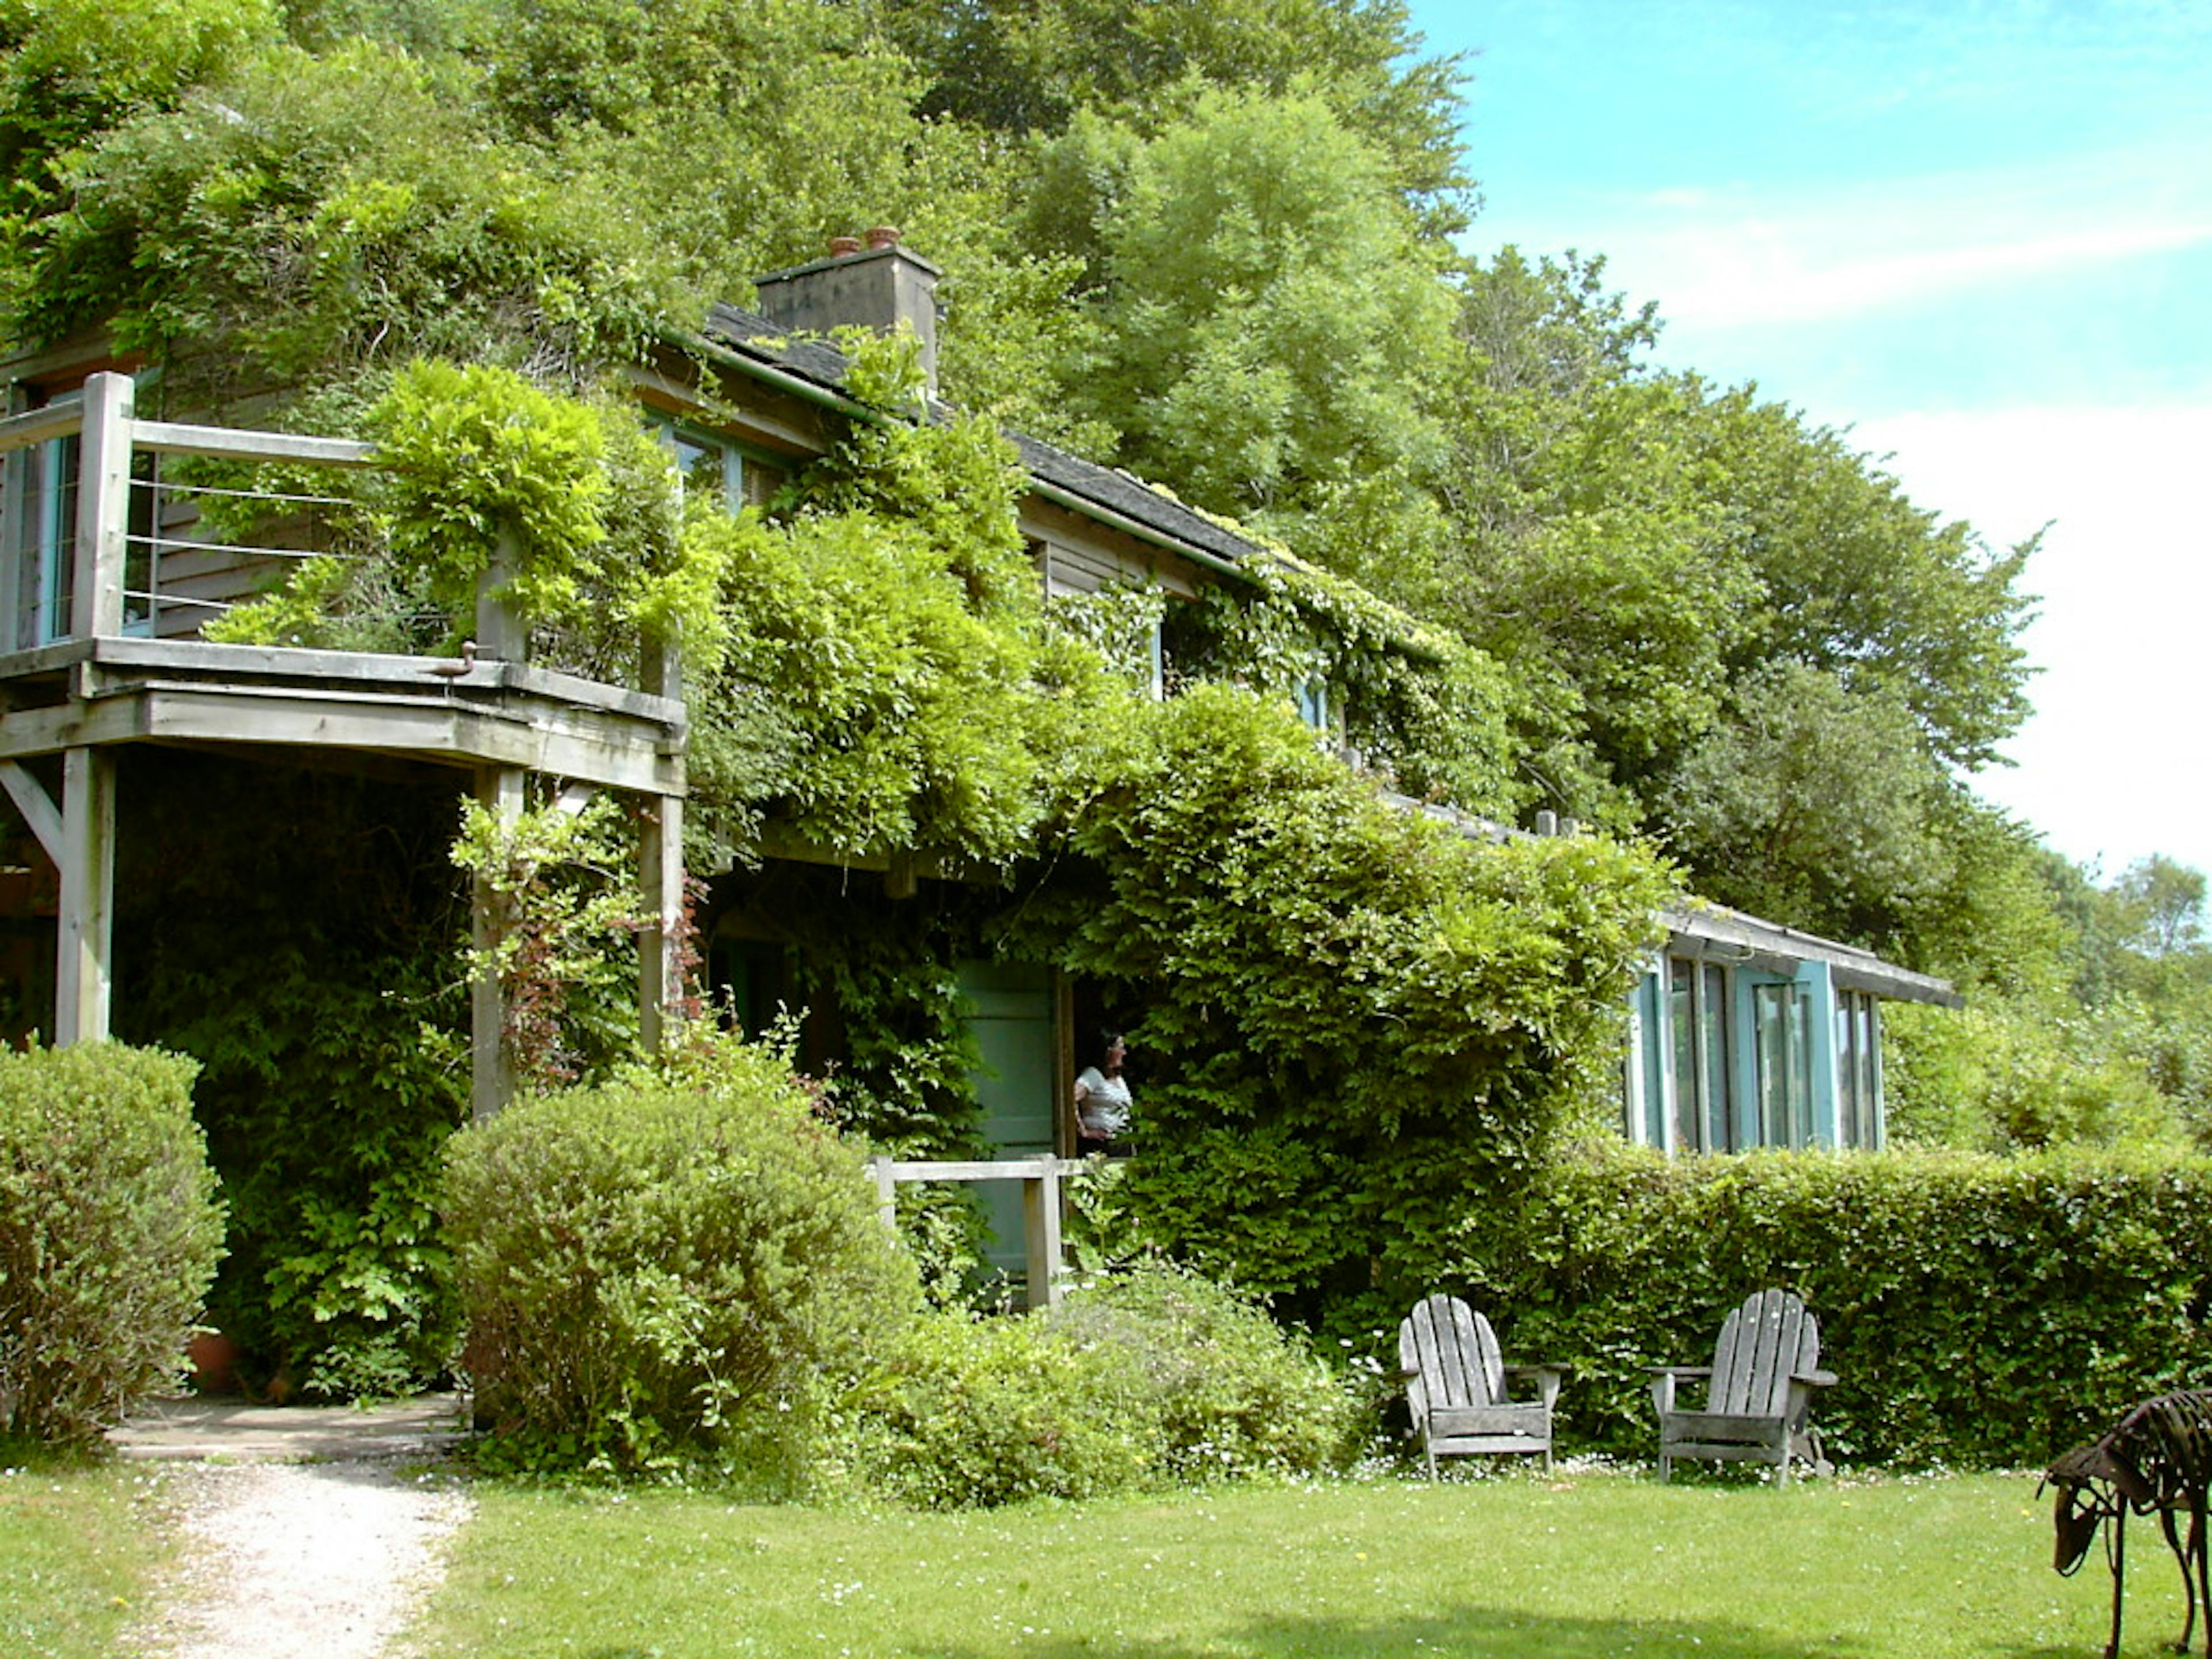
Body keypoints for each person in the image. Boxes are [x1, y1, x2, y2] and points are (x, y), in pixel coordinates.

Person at [1074, 1031, 1132, 1154]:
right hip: (1102, 1144)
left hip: (1121, 1143)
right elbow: (1070, 1100)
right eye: (1120, 1048)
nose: (1124, 1053)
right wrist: (1084, 1132)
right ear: (1108, 1051)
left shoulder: (1118, 1079)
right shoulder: (1093, 1075)